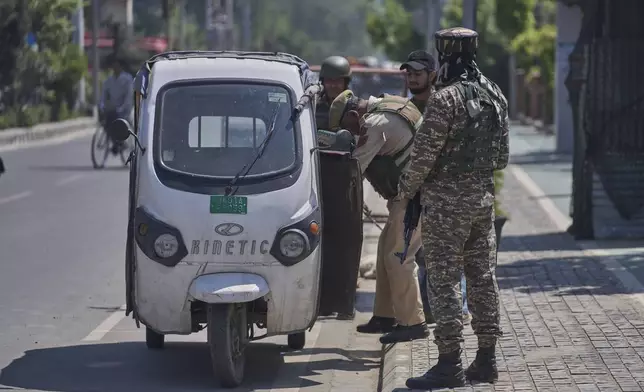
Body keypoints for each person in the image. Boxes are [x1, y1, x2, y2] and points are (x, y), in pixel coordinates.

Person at [398, 27, 509, 389]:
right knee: (482, 278)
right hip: (483, 199)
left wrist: (403, 191)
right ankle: (486, 360)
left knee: (444, 280)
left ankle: (449, 363)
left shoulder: (444, 99)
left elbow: (422, 159)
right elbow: (502, 157)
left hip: (446, 204)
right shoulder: (495, 94)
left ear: (443, 56)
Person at [328, 89, 428, 344]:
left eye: (347, 127)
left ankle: (413, 322)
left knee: (398, 257)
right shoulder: (388, 103)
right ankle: (385, 316)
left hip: (416, 196)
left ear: (353, 114)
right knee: (387, 250)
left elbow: (355, 168)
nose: (351, 133)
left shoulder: (373, 124)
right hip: (411, 194)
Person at [401, 50, 472, 326]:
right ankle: (428, 310)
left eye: (418, 73)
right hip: (416, 193)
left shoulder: (443, 106)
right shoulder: (405, 111)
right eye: (409, 74)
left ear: (432, 75)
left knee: (448, 256)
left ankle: (459, 309)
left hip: (444, 194)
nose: (412, 78)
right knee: (417, 255)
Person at [99, 56, 134, 154]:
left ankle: (121, 142)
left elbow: (128, 96)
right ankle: (115, 142)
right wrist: (101, 105)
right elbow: (104, 95)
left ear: (121, 67)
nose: (115, 68)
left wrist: (122, 108)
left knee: (118, 121)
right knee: (107, 122)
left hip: (124, 108)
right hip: (113, 108)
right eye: (113, 66)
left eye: (117, 66)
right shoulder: (109, 81)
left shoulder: (127, 79)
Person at [316, 56, 352, 131]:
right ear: (323, 82)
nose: (333, 85)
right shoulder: (314, 107)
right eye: (329, 80)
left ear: (345, 83)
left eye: (338, 81)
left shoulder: (355, 107)